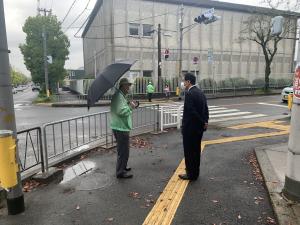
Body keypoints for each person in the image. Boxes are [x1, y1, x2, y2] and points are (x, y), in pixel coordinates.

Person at [179, 73, 209, 181]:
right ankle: (195, 173)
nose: (183, 83)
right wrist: (205, 122)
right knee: (196, 151)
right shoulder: (200, 92)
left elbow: (191, 112)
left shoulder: (189, 94)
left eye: (184, 81)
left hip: (190, 128)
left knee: (189, 151)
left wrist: (202, 121)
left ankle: (190, 174)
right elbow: (205, 109)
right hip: (199, 129)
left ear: (188, 82)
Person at [110, 78, 137, 179]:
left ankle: (123, 167)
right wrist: (130, 107)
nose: (129, 87)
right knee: (123, 151)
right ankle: (120, 172)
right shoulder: (118, 97)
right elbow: (121, 112)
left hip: (121, 126)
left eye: (129, 85)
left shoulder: (120, 96)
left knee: (124, 150)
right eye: (127, 85)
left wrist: (128, 104)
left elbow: (121, 108)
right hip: (120, 128)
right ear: (122, 86)